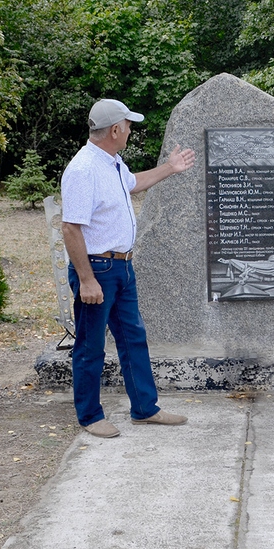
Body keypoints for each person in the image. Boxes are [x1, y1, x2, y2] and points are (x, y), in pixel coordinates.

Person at [60, 98, 197, 438]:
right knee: (91, 346)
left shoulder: (112, 163)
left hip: (121, 267)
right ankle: (91, 416)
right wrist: (87, 280)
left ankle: (145, 409)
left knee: (133, 338)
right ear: (116, 129)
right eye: (129, 125)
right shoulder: (83, 170)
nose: (131, 131)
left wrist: (170, 167)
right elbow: (70, 228)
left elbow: (133, 183)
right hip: (97, 270)